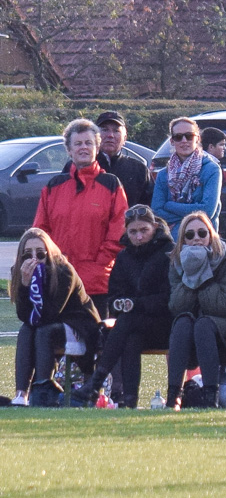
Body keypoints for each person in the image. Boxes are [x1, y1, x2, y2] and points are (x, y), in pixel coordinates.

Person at [34, 117, 127, 387]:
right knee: (53, 337)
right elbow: (40, 232)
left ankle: (101, 392)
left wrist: (98, 265)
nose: (83, 148)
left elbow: (118, 232)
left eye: (88, 142)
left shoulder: (111, 184)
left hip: (97, 282)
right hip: (59, 282)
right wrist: (53, 267)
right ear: (69, 149)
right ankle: (46, 389)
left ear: (97, 147)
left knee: (97, 340)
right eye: (78, 143)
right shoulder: (53, 186)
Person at [72, 206, 174, 408]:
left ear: (155, 227)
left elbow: (169, 299)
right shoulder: (124, 257)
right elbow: (113, 296)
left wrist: (136, 304)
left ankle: (95, 382)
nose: (138, 236)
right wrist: (120, 304)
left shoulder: (167, 253)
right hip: (134, 327)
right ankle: (129, 401)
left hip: (165, 324)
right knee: (130, 337)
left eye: (144, 230)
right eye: (133, 231)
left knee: (127, 323)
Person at [167, 211, 226, 409]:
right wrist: (191, 270)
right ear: (183, 240)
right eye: (190, 235)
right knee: (182, 322)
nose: (196, 238)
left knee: (204, 324)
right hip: (197, 323)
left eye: (202, 233)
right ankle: (173, 397)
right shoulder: (176, 262)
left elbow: (220, 306)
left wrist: (201, 274)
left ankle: (210, 396)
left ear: (211, 234)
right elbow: (176, 306)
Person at [10, 229, 97, 407]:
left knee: (44, 331)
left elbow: (51, 313)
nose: (34, 259)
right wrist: (25, 286)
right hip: (49, 323)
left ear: (49, 252)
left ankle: (42, 389)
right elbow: (23, 316)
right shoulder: (20, 272)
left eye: (40, 253)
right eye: (28, 254)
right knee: (26, 330)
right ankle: (21, 394)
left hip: (79, 325)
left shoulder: (63, 271)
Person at [153, 117, 222, 228]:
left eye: (189, 136)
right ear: (172, 141)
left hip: (201, 235)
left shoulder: (211, 169)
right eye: (178, 137)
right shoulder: (163, 174)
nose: (184, 141)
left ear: (197, 139)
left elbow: (207, 211)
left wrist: (169, 205)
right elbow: (157, 212)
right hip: (171, 237)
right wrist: (194, 213)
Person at [96, 110, 152, 206]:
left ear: (125, 138)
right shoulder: (82, 167)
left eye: (116, 131)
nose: (110, 135)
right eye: (105, 130)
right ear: (94, 136)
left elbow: (149, 208)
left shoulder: (139, 170)